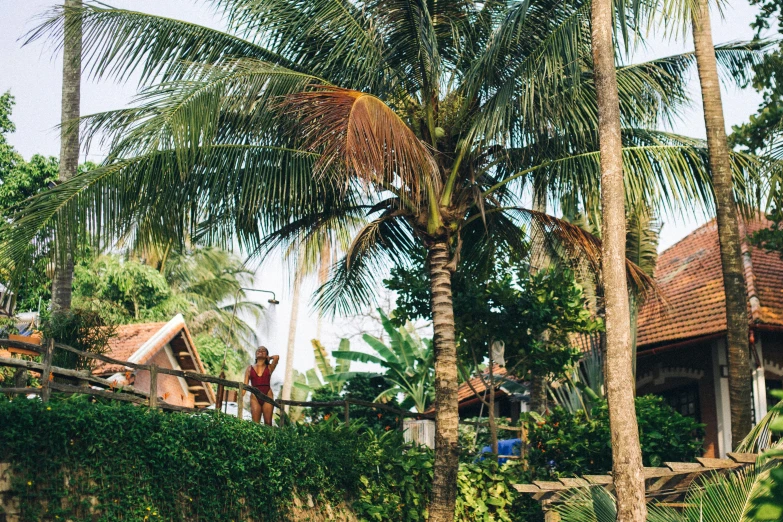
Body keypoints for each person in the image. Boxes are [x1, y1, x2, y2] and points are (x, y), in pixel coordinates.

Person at [242, 346, 279, 425]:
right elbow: (245, 385)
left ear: (266, 355)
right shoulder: (249, 368)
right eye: (258, 350)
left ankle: (268, 437)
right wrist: (240, 396)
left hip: (267, 396)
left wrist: (269, 358)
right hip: (255, 397)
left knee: (268, 423)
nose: (260, 351)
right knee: (255, 423)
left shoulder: (269, 367)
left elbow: (276, 357)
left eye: (263, 350)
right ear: (255, 355)